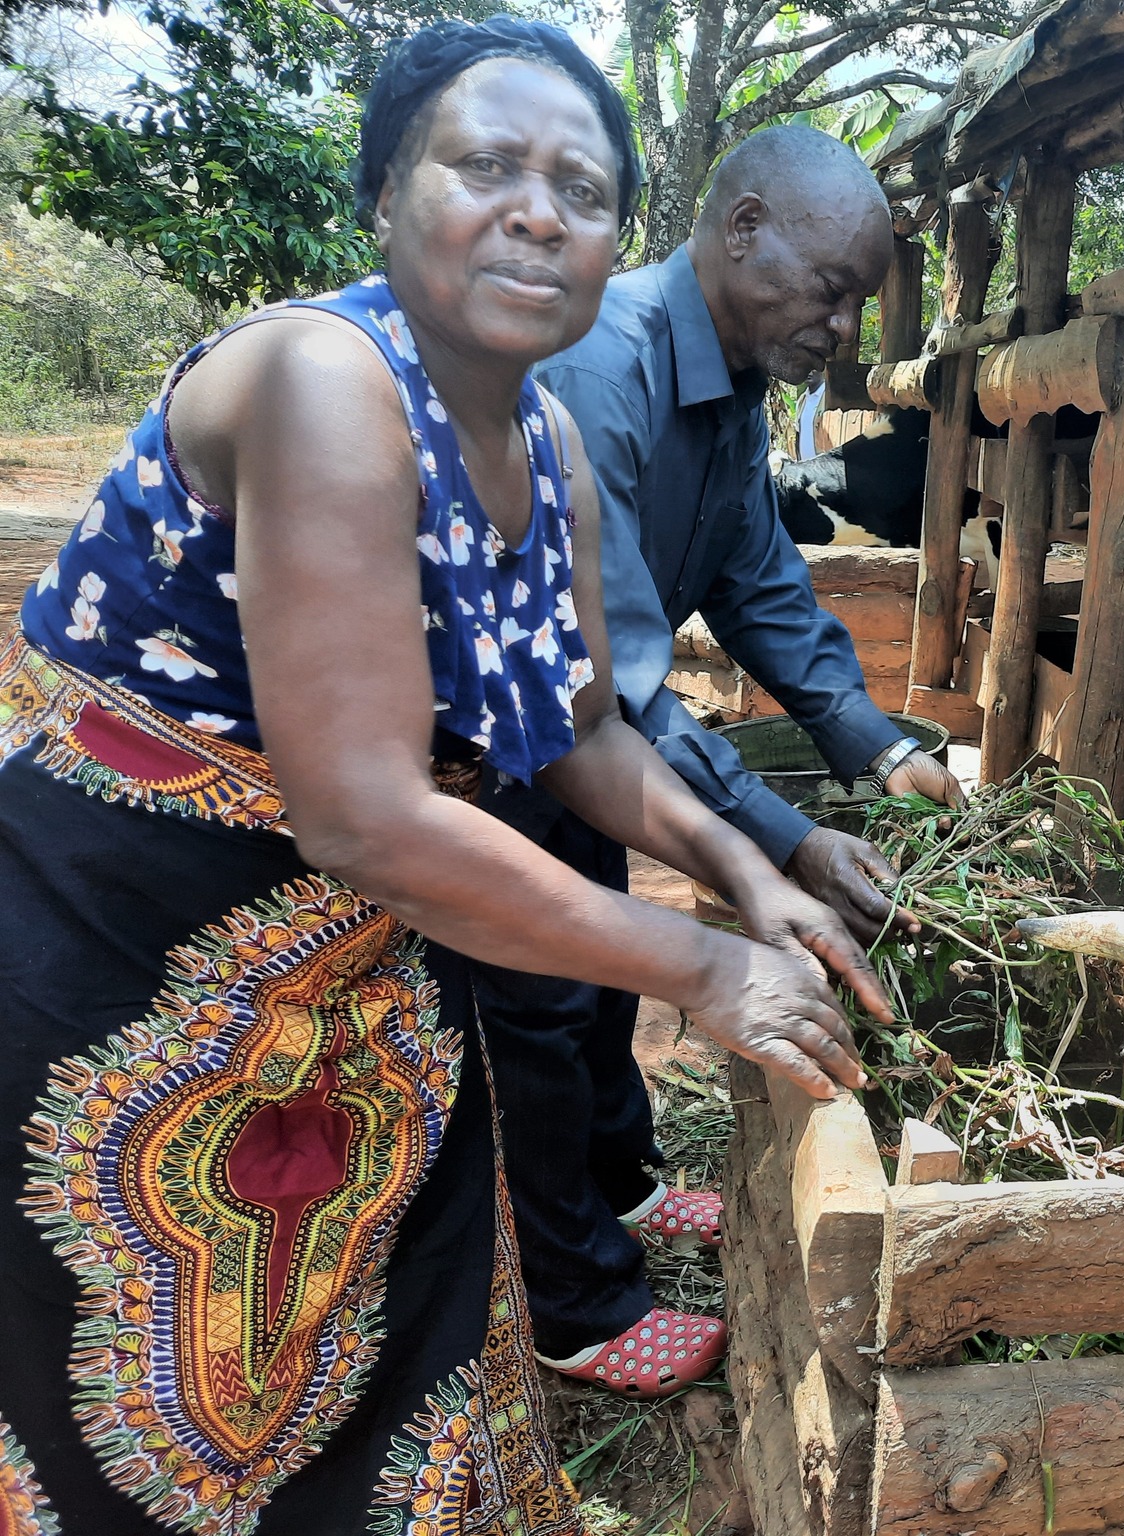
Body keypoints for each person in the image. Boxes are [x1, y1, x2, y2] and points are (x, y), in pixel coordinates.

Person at [0, 18, 882, 1531]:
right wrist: (701, 970)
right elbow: (362, 811)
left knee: (361, 1316)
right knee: (139, 1385)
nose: (539, 210)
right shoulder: (320, 382)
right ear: (389, 193)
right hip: (126, 949)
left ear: (618, 240)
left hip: (342, 962)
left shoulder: (546, 439)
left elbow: (583, 735)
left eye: (583, 189)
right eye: (487, 165)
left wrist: (749, 874)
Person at [475, 123, 966, 1396]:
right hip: (507, 739)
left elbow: (759, 586)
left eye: (857, 301)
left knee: (594, 967)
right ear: (742, 228)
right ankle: (571, 1303)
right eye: (831, 287)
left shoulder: (734, 390)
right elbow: (628, 660)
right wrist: (776, 838)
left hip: (589, 742)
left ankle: (624, 1187)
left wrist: (873, 744)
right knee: (530, 998)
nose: (843, 328)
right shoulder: (602, 364)